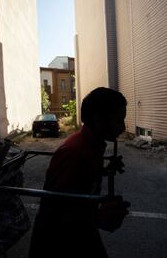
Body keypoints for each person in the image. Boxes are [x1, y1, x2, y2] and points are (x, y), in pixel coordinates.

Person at [29, 87, 130, 258]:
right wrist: (98, 218)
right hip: (59, 244)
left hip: (79, 233)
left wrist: (104, 170)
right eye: (118, 120)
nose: (123, 127)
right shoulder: (75, 151)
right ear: (99, 120)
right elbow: (53, 211)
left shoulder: (92, 144)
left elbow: (80, 180)